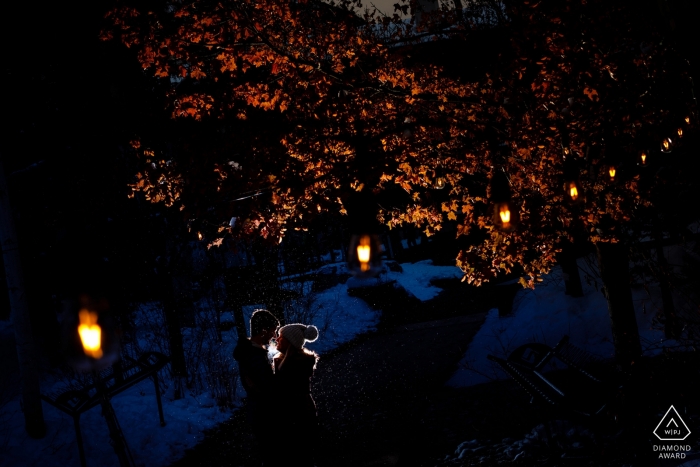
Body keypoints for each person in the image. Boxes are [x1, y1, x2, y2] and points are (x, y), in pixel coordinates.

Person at [233, 309, 279, 465]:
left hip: (259, 411)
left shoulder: (251, 351)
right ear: (264, 330)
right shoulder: (253, 355)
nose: (275, 335)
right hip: (265, 414)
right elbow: (268, 388)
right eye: (273, 331)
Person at [272, 323, 320, 465]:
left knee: (299, 451)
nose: (277, 339)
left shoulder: (296, 364)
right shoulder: (284, 361)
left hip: (298, 411)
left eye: (281, 337)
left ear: (291, 342)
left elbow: (282, 388)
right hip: (296, 410)